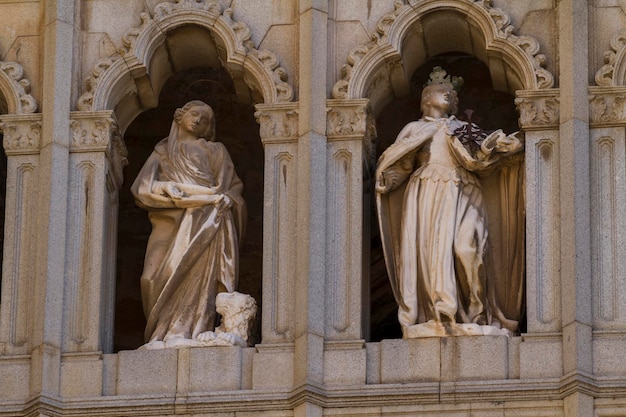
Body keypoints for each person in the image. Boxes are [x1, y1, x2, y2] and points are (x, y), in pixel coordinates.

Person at [375, 67, 524, 337]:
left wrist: (504, 146)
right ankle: (440, 311)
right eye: (440, 90)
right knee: (434, 252)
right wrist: (388, 180)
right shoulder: (414, 128)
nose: (446, 94)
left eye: (450, 93)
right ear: (426, 97)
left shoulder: (461, 128)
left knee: (467, 247)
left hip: (464, 190)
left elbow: (483, 152)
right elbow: (400, 162)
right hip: (428, 191)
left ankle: (478, 313)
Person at [131, 100, 246, 347]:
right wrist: (164, 188)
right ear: (179, 116)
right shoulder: (162, 152)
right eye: (195, 114)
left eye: (205, 120)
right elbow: (142, 188)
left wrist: (224, 200)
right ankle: (160, 331)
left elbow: (233, 190)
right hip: (170, 219)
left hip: (207, 221)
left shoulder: (215, 151)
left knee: (200, 276)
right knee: (151, 277)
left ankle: (191, 331)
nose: (198, 121)